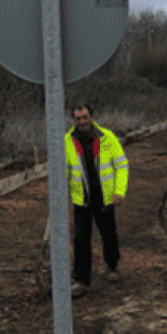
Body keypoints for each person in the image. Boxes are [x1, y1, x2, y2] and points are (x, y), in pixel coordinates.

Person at [65, 103, 129, 298]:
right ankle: (82, 279)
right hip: (81, 199)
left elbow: (122, 165)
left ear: (91, 116)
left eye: (85, 117)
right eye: (78, 119)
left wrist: (119, 190)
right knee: (81, 239)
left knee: (108, 234)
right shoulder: (67, 141)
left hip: (104, 197)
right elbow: (64, 169)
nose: (82, 122)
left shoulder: (107, 138)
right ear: (74, 120)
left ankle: (112, 266)